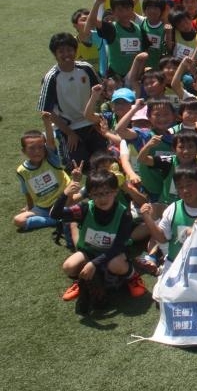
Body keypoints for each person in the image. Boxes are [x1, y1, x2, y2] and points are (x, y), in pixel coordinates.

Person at [50, 169, 147, 315]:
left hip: (114, 254)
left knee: (116, 265)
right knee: (68, 267)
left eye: (106, 192)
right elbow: (55, 214)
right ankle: (83, 280)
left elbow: (117, 247)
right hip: (89, 252)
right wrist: (65, 194)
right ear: (89, 194)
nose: (102, 198)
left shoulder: (124, 214)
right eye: (96, 194)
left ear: (115, 192)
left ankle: (132, 276)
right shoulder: (85, 209)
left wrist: (93, 263)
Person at [39, 33, 106, 168]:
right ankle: (66, 150)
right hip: (69, 128)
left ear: (75, 51)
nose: (66, 54)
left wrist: (96, 118)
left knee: (104, 160)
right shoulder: (51, 77)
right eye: (61, 51)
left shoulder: (86, 68)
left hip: (91, 123)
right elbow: (47, 111)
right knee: (78, 165)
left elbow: (100, 94)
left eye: (69, 50)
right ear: (55, 54)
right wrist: (69, 133)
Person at [14, 125, 69, 231]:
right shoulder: (21, 171)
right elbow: (27, 191)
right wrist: (29, 207)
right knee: (18, 220)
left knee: (74, 206)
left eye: (40, 147)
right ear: (24, 151)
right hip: (43, 207)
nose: (37, 151)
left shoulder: (51, 159)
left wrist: (47, 121)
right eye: (32, 148)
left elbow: (51, 142)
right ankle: (56, 220)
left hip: (63, 200)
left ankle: (57, 216)